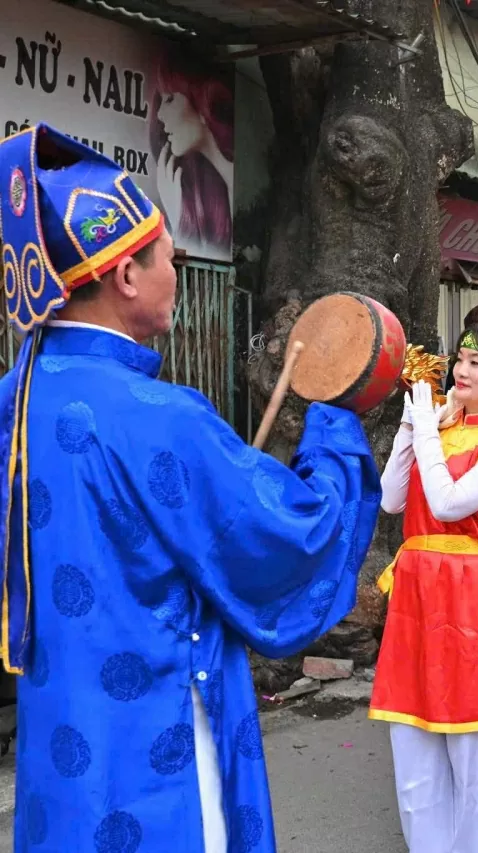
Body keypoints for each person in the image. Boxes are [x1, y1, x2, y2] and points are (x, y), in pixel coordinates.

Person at [0, 124, 380, 852]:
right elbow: (293, 537)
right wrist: (333, 428)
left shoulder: (13, 401)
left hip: (57, 732)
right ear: (127, 277)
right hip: (157, 733)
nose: (177, 272)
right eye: (170, 257)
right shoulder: (159, 417)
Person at [371, 322, 478, 853]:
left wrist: (425, 431)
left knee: (472, 741)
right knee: (412, 734)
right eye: (461, 358)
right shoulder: (437, 428)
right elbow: (391, 500)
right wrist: (407, 428)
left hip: (470, 592)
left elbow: (447, 504)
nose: (462, 370)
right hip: (417, 589)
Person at [148, 51, 234, 259]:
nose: (159, 115)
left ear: (204, 103)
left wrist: (179, 218)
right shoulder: (206, 189)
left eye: (169, 99)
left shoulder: (232, 187)